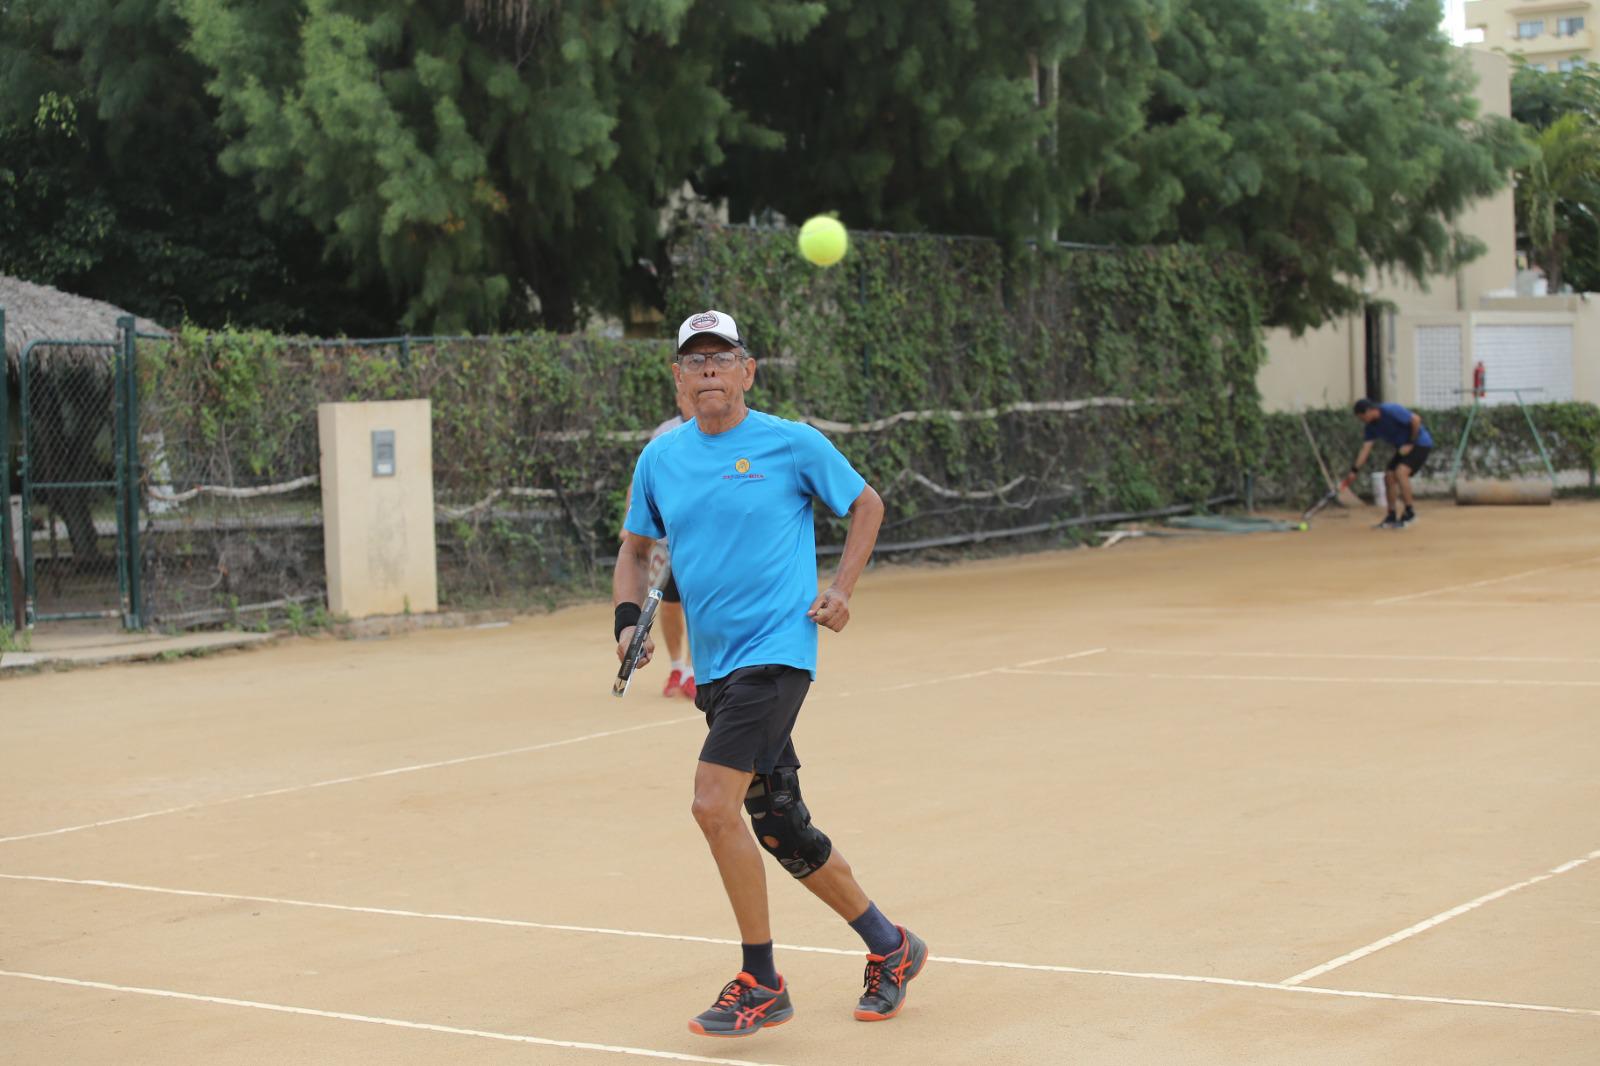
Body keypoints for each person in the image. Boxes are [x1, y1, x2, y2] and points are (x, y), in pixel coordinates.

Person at [613, 309, 926, 1037]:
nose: (710, 370)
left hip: (779, 652)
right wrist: (628, 622)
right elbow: (633, 550)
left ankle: (761, 980)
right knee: (779, 823)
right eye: (696, 361)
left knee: (711, 803)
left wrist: (842, 587)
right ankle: (892, 945)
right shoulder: (661, 460)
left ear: (750, 371)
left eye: (723, 358)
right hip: (718, 668)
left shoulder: (790, 443)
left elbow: (865, 504)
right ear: (678, 379)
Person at [633, 385, 698, 699]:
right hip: (665, 540)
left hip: (702, 542)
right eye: (686, 393)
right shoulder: (664, 434)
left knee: (700, 606)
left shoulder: (721, 431)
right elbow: (642, 483)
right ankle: (677, 668)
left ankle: (695, 671)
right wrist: (630, 527)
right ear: (678, 398)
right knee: (670, 606)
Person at [1349, 398, 1433, 529]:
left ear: (1369, 411)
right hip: (1403, 448)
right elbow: (1365, 449)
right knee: (1388, 476)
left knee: (1400, 472)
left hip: (1420, 443)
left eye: (1362, 417)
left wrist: (1411, 442)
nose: (1362, 420)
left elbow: (1416, 419)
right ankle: (1391, 515)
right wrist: (1354, 470)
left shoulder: (1391, 410)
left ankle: (1410, 513)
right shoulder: (1370, 427)